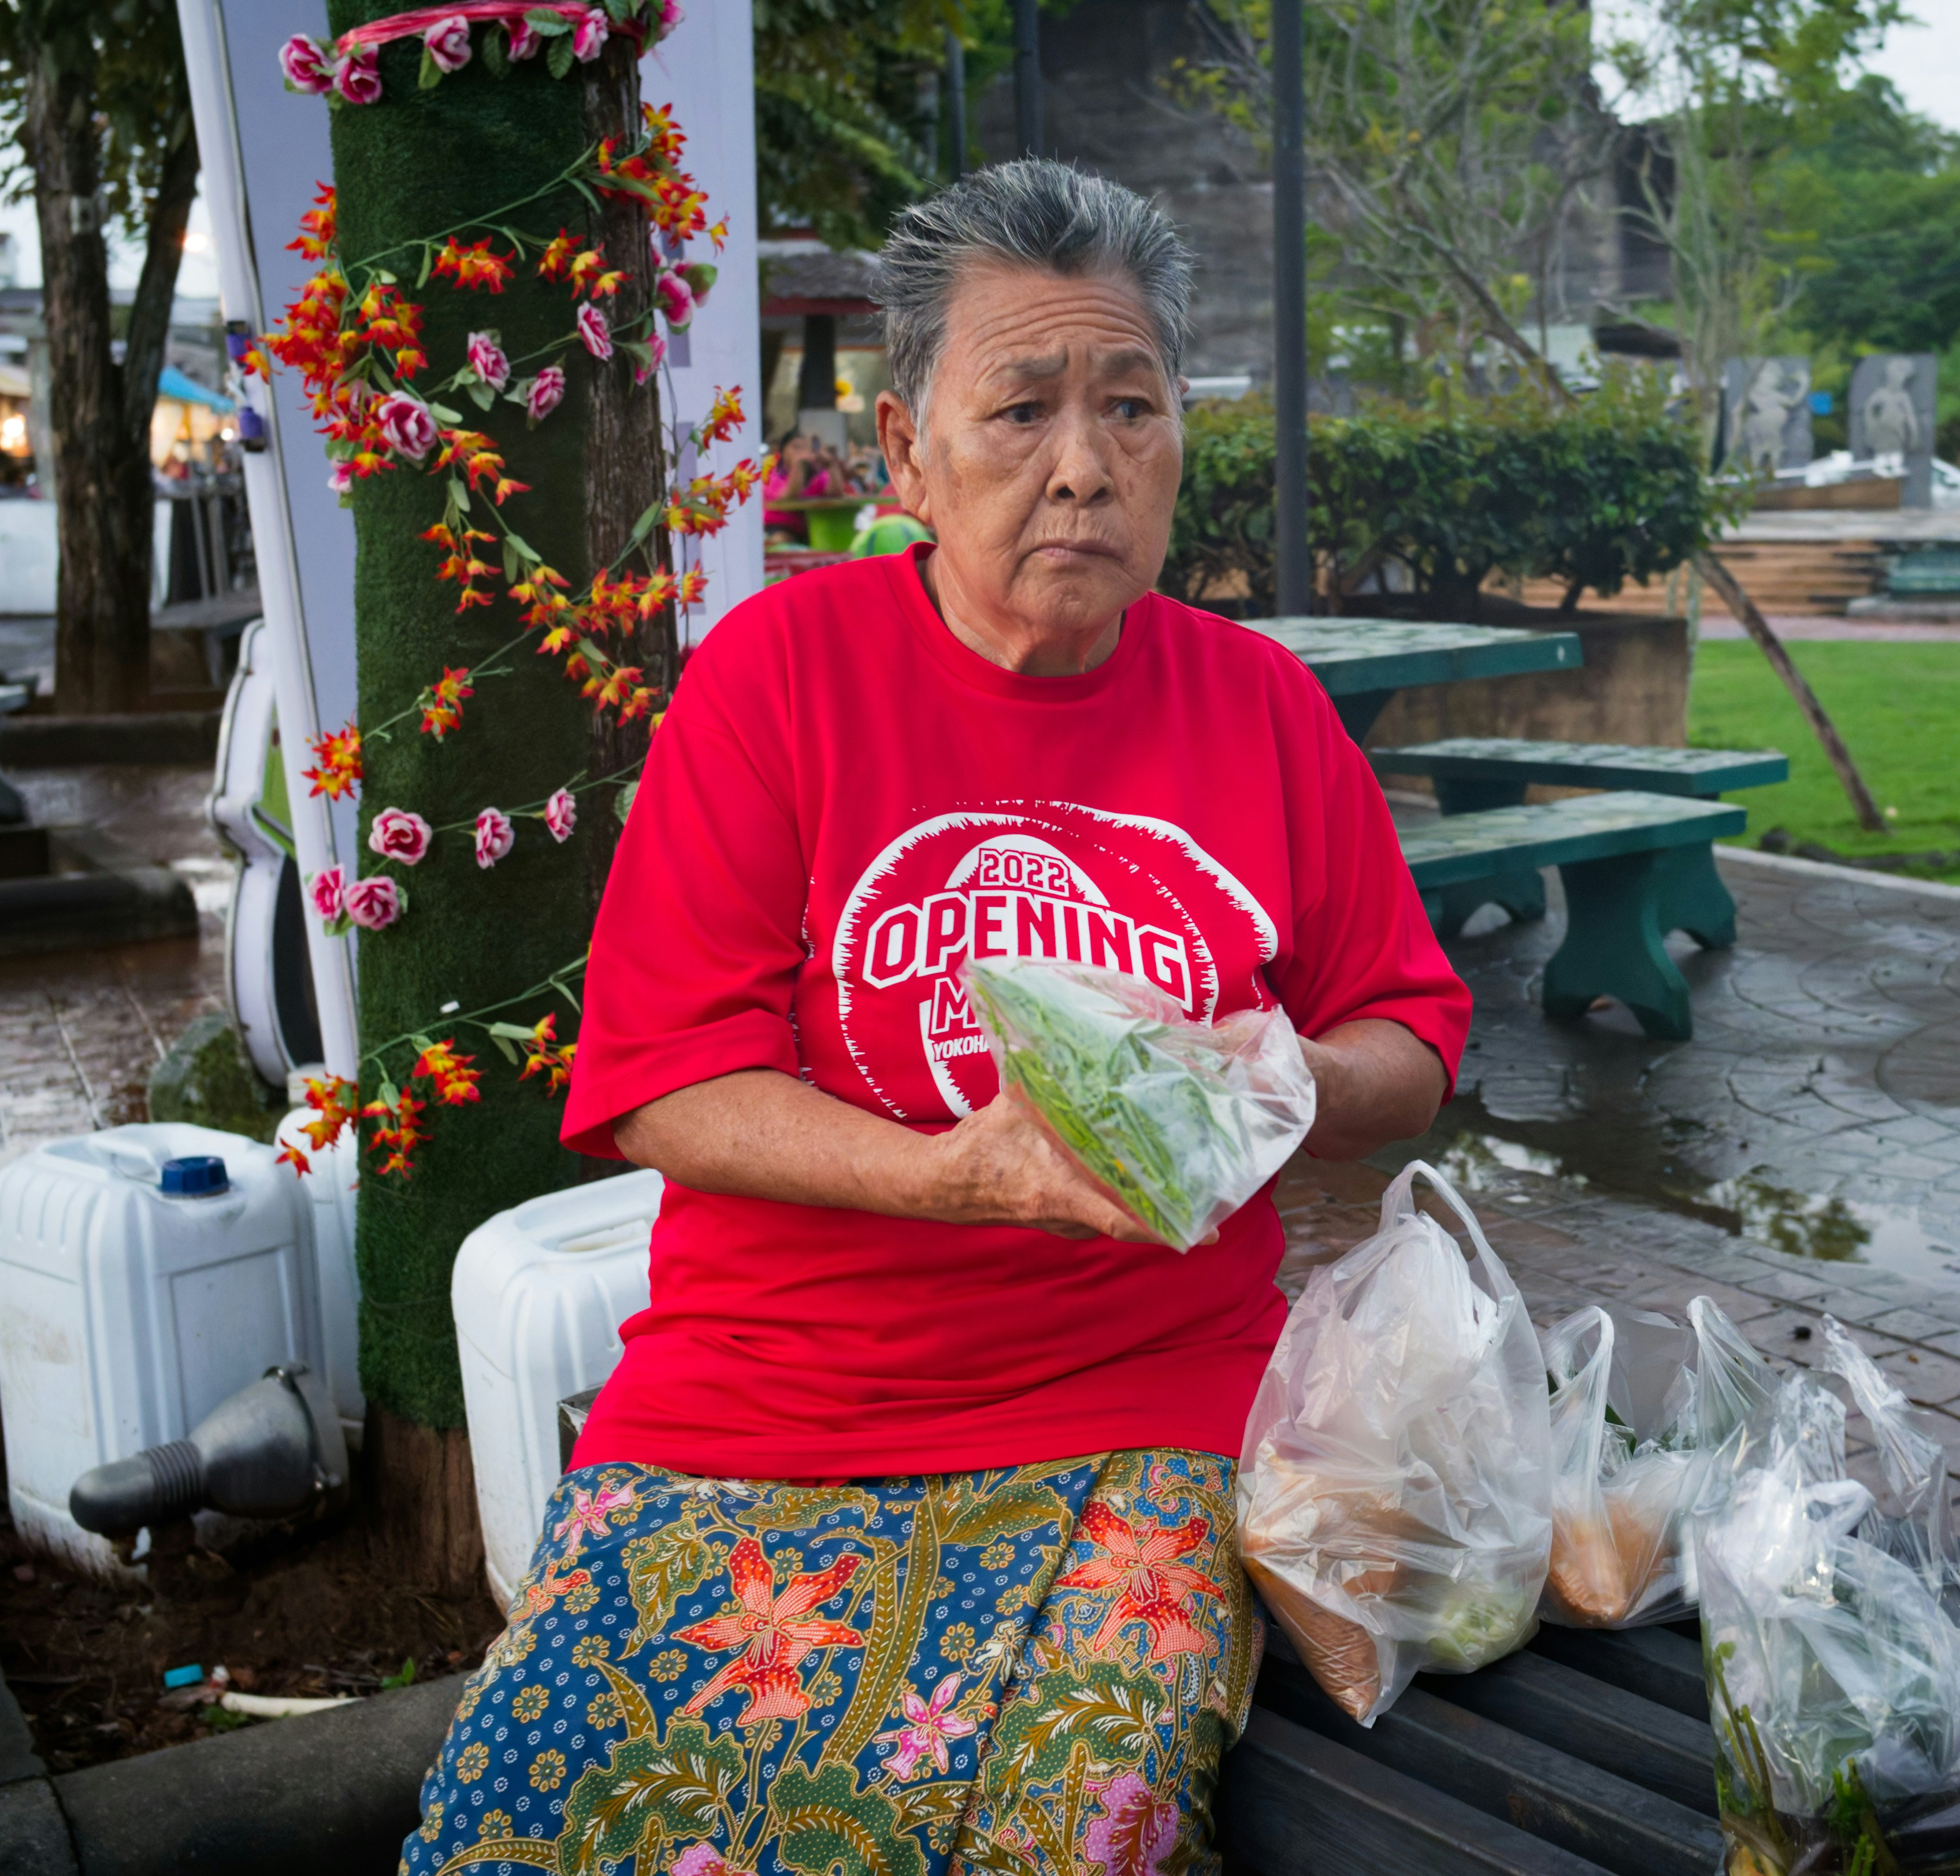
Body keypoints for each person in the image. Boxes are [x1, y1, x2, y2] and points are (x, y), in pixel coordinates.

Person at [404, 160, 1469, 1875]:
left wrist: (1277, 1078)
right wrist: (957, 1176)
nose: (1083, 465)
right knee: (530, 1830)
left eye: (1132, 407)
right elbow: (667, 1081)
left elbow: (1410, 1042)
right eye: (1023, 409)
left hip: (1149, 1401)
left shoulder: (1261, 707)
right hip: (769, 1397)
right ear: (903, 455)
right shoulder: (780, 674)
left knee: (1073, 1835)